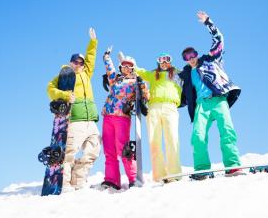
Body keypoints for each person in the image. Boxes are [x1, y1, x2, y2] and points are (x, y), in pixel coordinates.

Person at [179, 11, 243, 180]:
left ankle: (232, 165)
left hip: (219, 100)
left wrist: (208, 22)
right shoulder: (185, 74)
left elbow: (219, 40)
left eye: (192, 54)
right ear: (185, 60)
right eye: (187, 57)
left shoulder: (209, 60)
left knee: (227, 131)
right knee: (198, 136)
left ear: (197, 54)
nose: (191, 58)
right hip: (201, 105)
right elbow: (177, 93)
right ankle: (202, 169)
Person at [47, 28, 101, 191]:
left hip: (90, 119)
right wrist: (63, 95)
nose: (78, 64)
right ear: (70, 62)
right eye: (75, 61)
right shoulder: (65, 74)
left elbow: (91, 59)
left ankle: (78, 180)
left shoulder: (86, 73)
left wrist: (93, 43)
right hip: (75, 118)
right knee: (70, 152)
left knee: (94, 150)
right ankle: (64, 183)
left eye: (80, 62)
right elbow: (50, 88)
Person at [99, 48, 149, 190]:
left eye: (129, 66)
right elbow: (110, 70)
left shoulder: (135, 81)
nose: (126, 68)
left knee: (123, 149)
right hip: (108, 115)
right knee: (109, 149)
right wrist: (106, 56)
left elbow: (146, 94)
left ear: (133, 69)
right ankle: (112, 179)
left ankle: (133, 177)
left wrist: (141, 85)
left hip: (122, 117)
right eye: (124, 66)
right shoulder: (115, 80)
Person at [135, 53, 182, 182]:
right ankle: (159, 176)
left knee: (172, 139)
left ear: (171, 62)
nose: (164, 63)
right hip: (154, 107)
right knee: (154, 141)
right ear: (158, 63)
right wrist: (129, 62)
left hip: (170, 106)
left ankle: (174, 174)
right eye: (161, 60)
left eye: (167, 60)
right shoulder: (153, 74)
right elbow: (139, 71)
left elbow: (191, 71)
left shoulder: (177, 73)